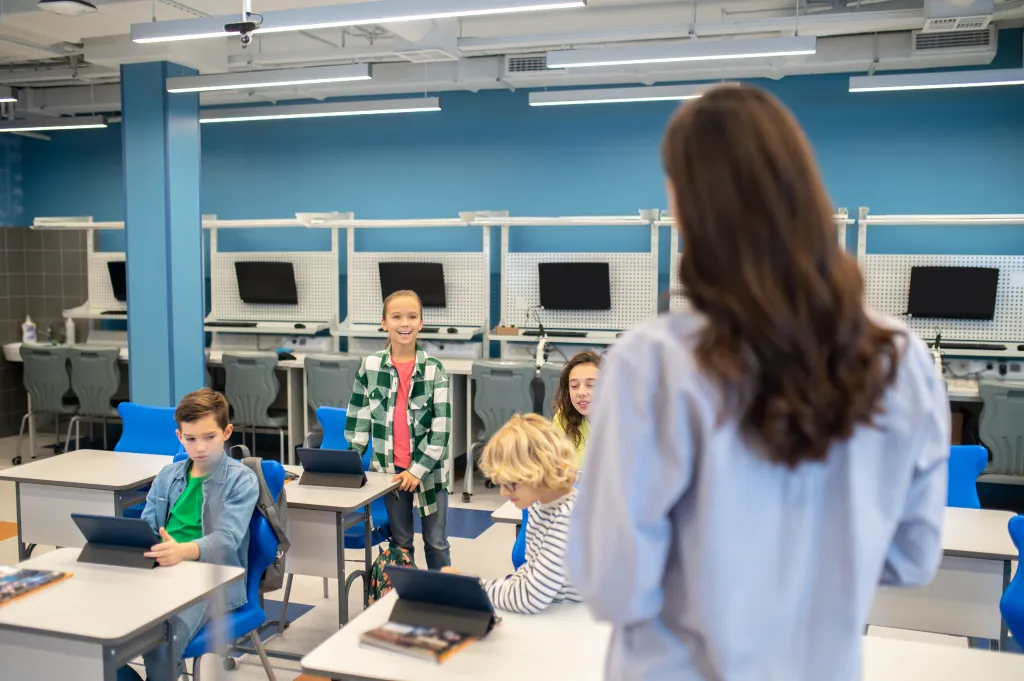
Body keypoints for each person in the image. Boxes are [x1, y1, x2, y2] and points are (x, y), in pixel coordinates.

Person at [569, 84, 950, 681]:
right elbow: (912, 559)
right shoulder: (898, 360)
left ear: (687, 203)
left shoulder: (656, 361)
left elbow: (613, 587)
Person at [120, 388, 259, 681]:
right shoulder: (167, 476)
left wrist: (182, 551)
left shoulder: (241, 479)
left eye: (209, 437)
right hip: (162, 569)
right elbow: (147, 526)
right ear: (179, 436)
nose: (200, 448)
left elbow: (228, 538)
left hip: (211, 580)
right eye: (190, 438)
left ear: (226, 432)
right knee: (100, 635)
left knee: (161, 643)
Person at [346, 289, 453, 570]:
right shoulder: (370, 367)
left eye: (411, 316)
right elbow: (358, 419)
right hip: (390, 475)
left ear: (421, 323)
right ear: (384, 323)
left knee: (436, 542)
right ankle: (409, 601)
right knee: (401, 544)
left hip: (430, 474)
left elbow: (440, 432)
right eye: (396, 317)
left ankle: (441, 604)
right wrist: (350, 462)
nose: (404, 323)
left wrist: (417, 470)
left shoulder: (435, 369)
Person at [443, 414, 581, 614]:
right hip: (558, 613)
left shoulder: (568, 518)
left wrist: (467, 589)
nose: (503, 493)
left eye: (511, 484)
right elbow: (529, 570)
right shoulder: (540, 504)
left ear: (537, 472)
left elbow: (531, 598)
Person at [553, 350, 601, 468]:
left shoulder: (626, 421)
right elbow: (552, 467)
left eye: (590, 385)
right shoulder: (563, 418)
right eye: (574, 386)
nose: (581, 393)